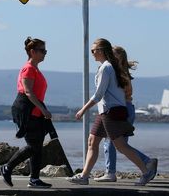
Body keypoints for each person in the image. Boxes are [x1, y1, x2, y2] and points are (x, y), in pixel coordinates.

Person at [66, 38, 157, 186]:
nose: (92, 53)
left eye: (93, 50)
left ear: (101, 51)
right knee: (92, 141)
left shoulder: (107, 68)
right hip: (105, 111)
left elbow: (98, 94)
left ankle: (146, 171)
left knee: (120, 145)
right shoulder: (108, 67)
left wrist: (83, 109)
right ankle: (84, 176)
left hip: (111, 111)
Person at [94, 46, 158, 182]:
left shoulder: (118, 73)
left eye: (111, 54)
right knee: (115, 143)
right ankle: (111, 171)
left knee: (118, 144)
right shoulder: (119, 72)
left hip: (121, 109)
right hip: (122, 109)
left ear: (118, 57)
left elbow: (113, 93)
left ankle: (145, 163)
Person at [0, 37, 53, 188]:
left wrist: (41, 110)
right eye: (42, 51)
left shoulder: (35, 69)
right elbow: (28, 92)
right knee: (33, 145)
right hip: (25, 110)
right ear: (32, 52)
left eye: (45, 51)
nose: (45, 54)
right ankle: (7, 167)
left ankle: (34, 179)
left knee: (37, 145)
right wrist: (43, 109)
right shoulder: (28, 68)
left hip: (35, 110)